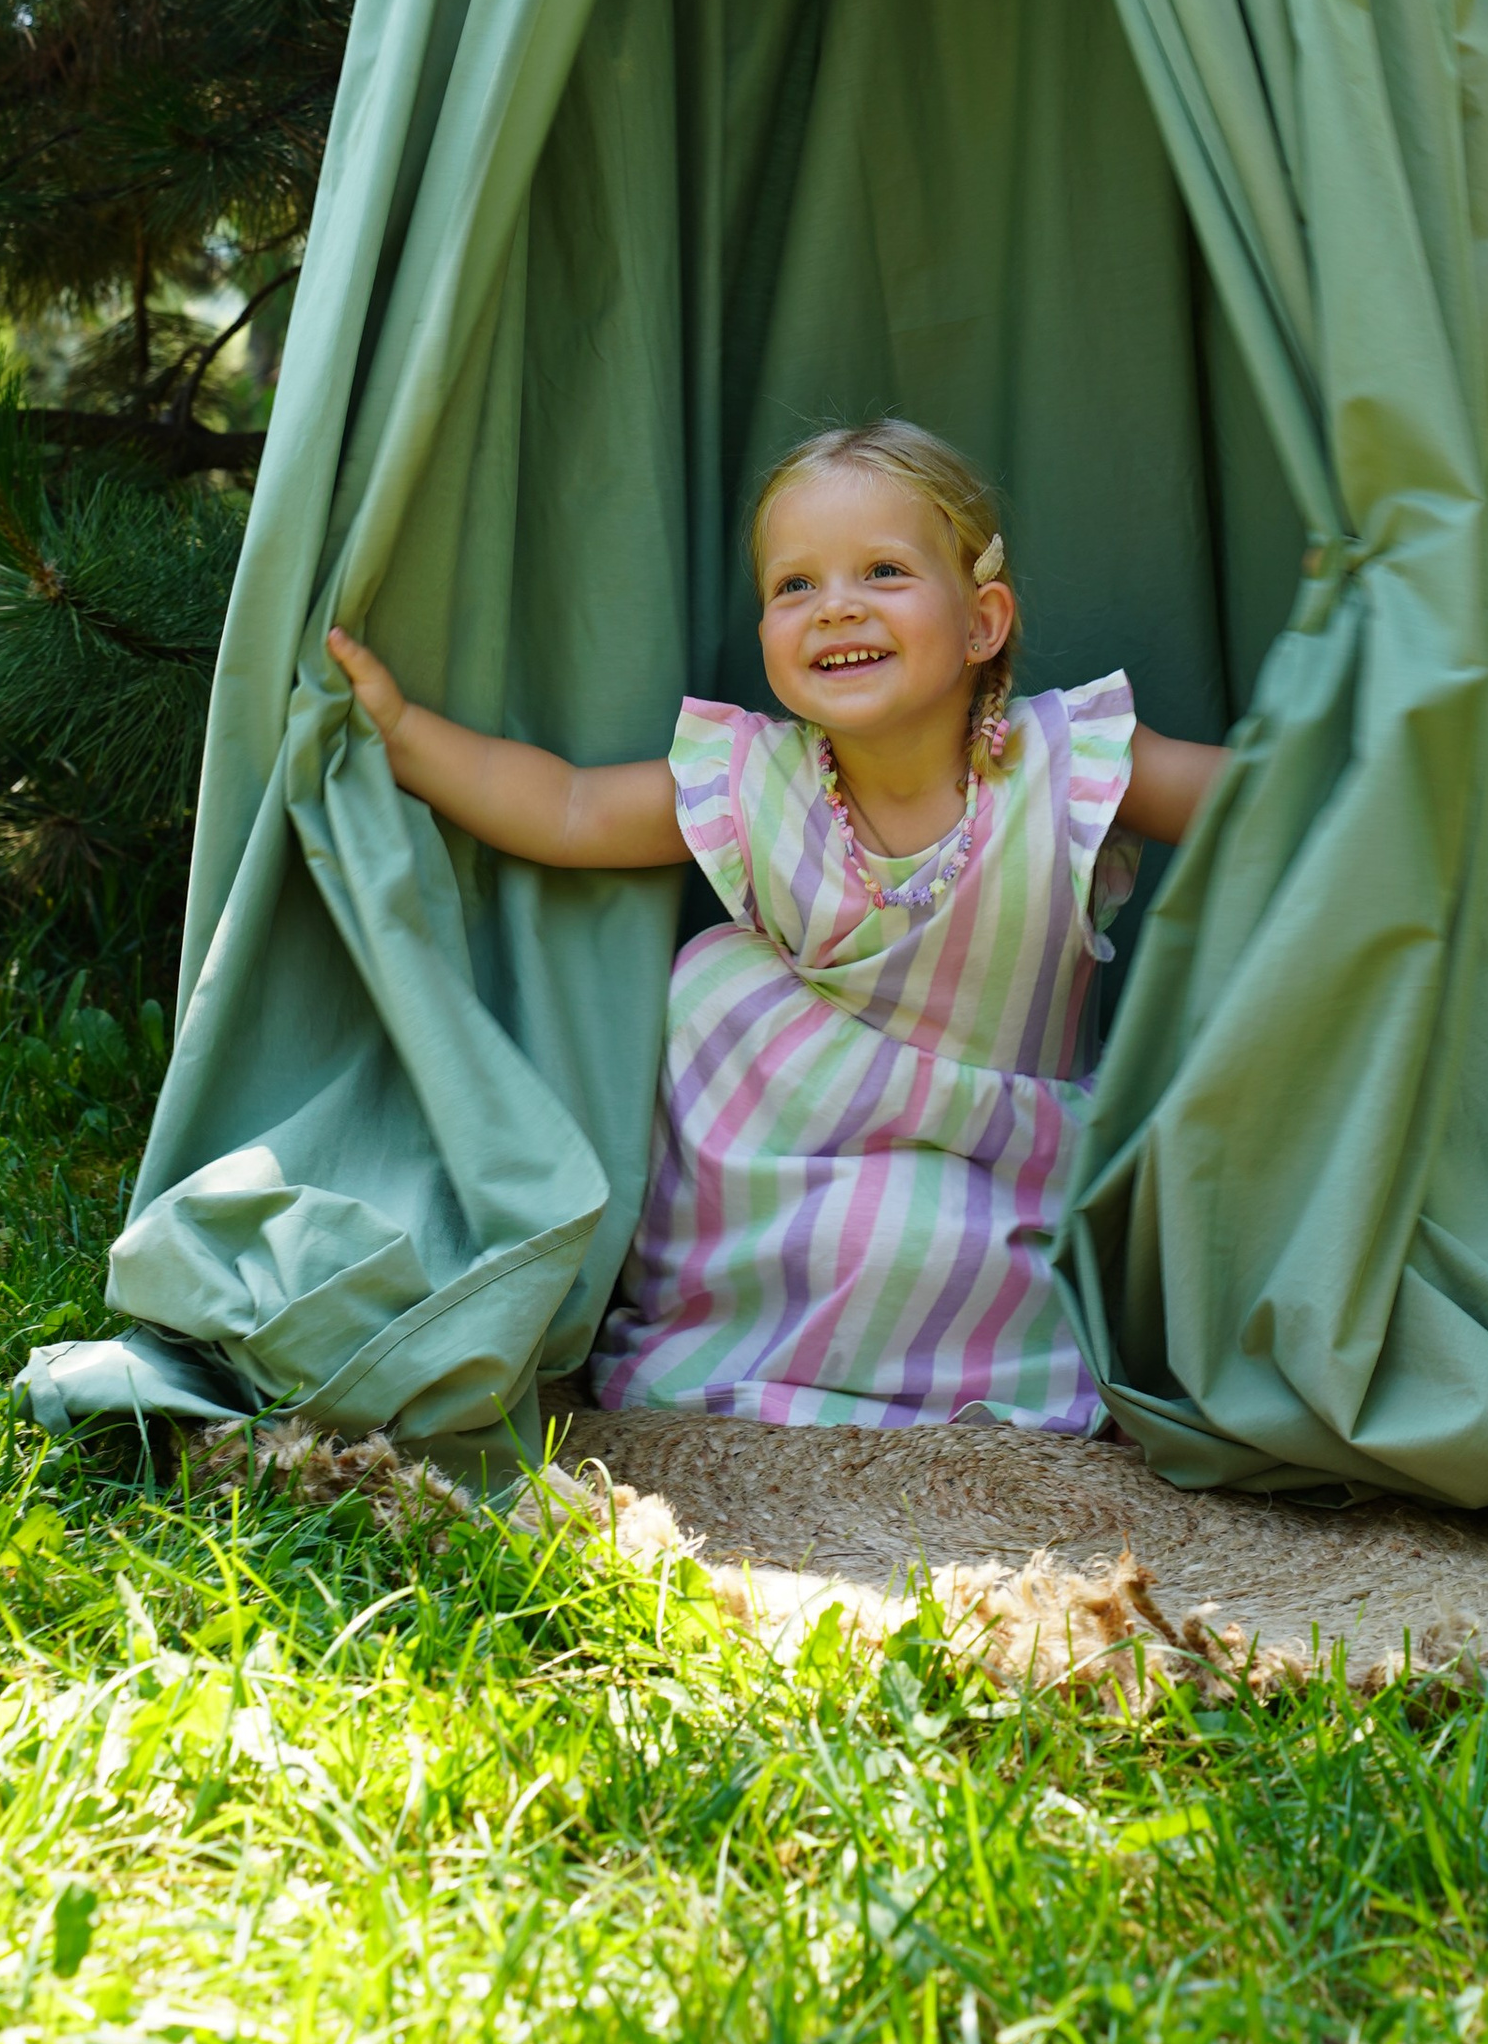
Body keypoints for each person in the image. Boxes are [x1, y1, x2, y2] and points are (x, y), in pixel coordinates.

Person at [325, 418, 1227, 1434]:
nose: (835, 606)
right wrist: (398, 732)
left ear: (982, 623)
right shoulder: (757, 777)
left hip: (1003, 1171)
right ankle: (763, 1337)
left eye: (882, 571)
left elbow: (1263, 812)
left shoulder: (1072, 764)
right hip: (795, 1172)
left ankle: (960, 1359)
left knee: (921, 1244)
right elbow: (569, 809)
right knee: (721, 983)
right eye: (793, 586)